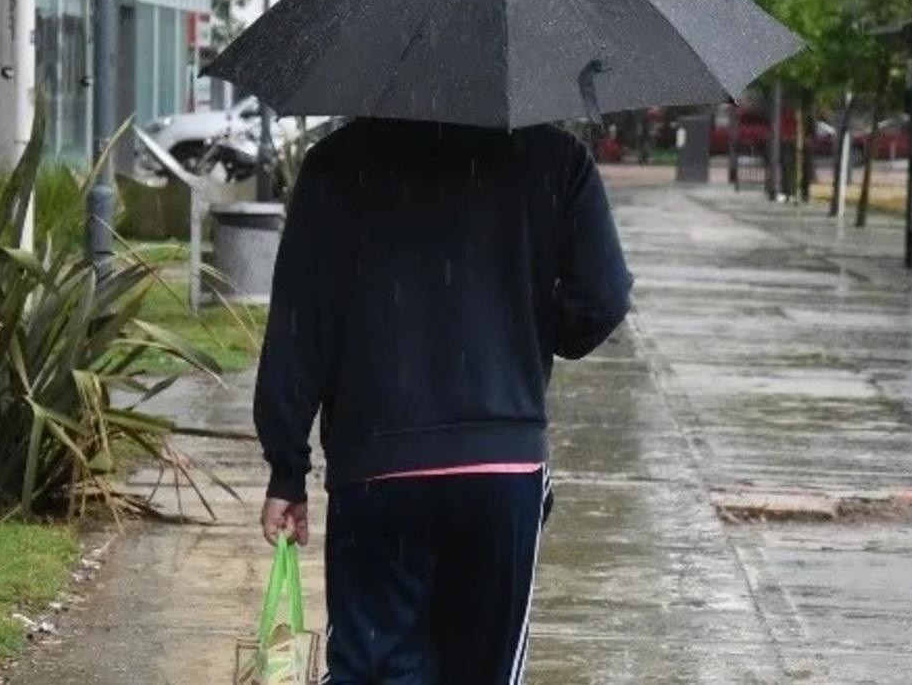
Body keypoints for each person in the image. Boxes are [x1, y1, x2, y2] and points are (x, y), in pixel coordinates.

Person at [253, 118, 632, 684]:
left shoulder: (338, 161)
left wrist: (287, 468)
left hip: (378, 466)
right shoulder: (555, 157)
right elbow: (600, 302)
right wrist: (520, 328)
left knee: (375, 671)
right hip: (500, 465)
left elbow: (300, 328)